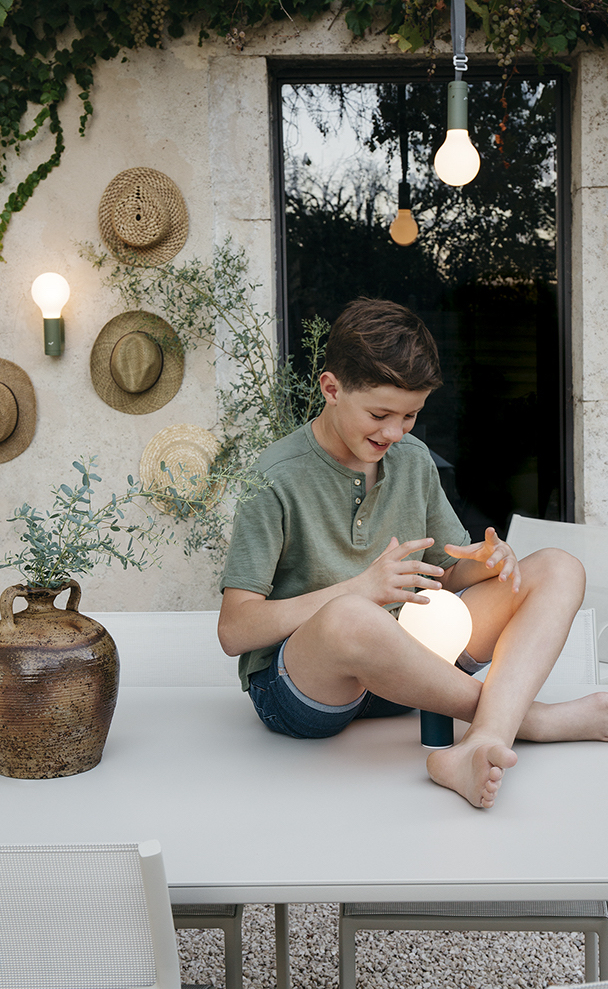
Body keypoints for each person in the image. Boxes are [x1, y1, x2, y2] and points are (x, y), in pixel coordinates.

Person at [218, 298, 607, 809]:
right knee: (350, 616)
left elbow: (445, 574)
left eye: (410, 416)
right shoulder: (274, 477)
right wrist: (360, 589)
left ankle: (479, 744)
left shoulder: (412, 458)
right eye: (379, 414)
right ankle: (533, 720)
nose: (394, 432)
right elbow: (235, 631)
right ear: (331, 389)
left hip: (410, 673)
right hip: (306, 690)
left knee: (559, 566)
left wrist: (482, 563)